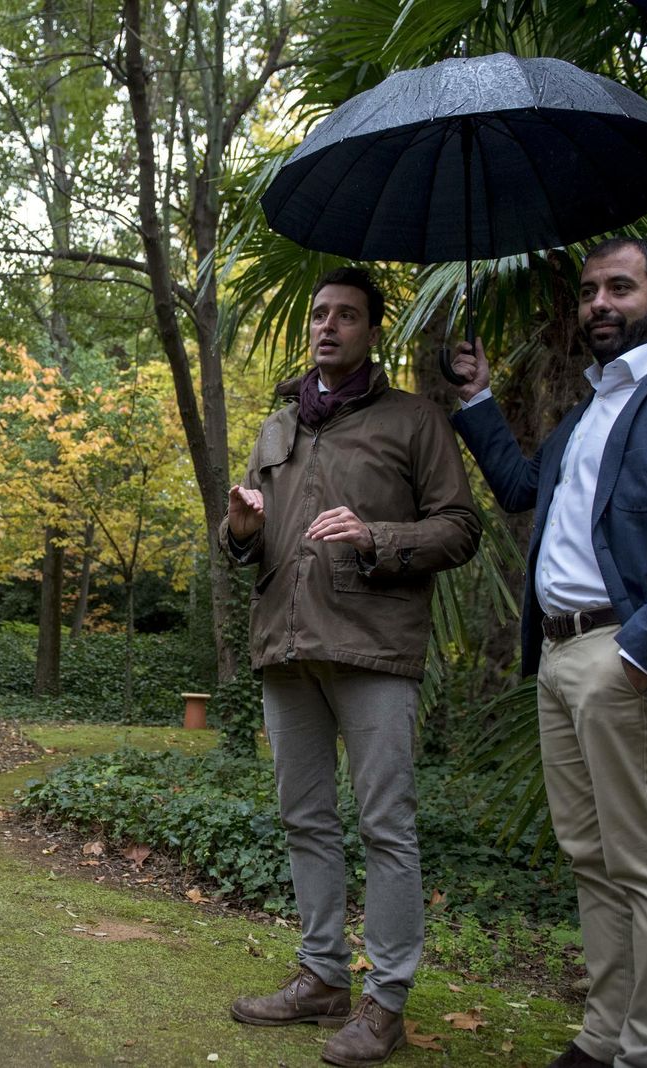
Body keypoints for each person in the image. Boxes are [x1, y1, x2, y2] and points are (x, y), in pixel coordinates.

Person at [449, 237, 647, 1068]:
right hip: (556, 659)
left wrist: (641, 654)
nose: (598, 304)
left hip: (626, 658)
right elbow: (519, 490)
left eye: (620, 287)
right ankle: (604, 1035)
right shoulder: (585, 416)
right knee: (591, 858)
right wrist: (477, 399)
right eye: (588, 292)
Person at [223, 267, 480, 1067]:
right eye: (318, 314)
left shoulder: (414, 420)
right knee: (305, 818)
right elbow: (249, 543)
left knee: (386, 826)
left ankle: (387, 999)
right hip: (286, 648)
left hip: (374, 647)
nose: (327, 326)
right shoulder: (277, 428)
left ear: (373, 330)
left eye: (346, 315)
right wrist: (236, 531)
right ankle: (322, 976)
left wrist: (379, 538)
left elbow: (461, 527)